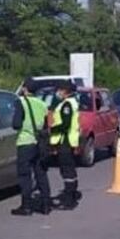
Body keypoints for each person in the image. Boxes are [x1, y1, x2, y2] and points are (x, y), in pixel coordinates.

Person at [11, 79, 51, 216]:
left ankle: (26, 206)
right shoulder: (43, 104)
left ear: (25, 89)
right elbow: (46, 126)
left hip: (25, 142)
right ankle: (46, 205)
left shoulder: (20, 102)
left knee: (24, 175)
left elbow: (16, 124)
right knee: (41, 173)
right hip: (39, 143)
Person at [50, 81, 81, 210]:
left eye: (59, 90)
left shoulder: (67, 104)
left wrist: (51, 130)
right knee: (70, 171)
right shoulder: (72, 103)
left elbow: (65, 124)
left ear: (64, 91)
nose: (58, 93)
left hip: (65, 141)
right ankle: (72, 196)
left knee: (67, 171)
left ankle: (69, 201)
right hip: (69, 141)